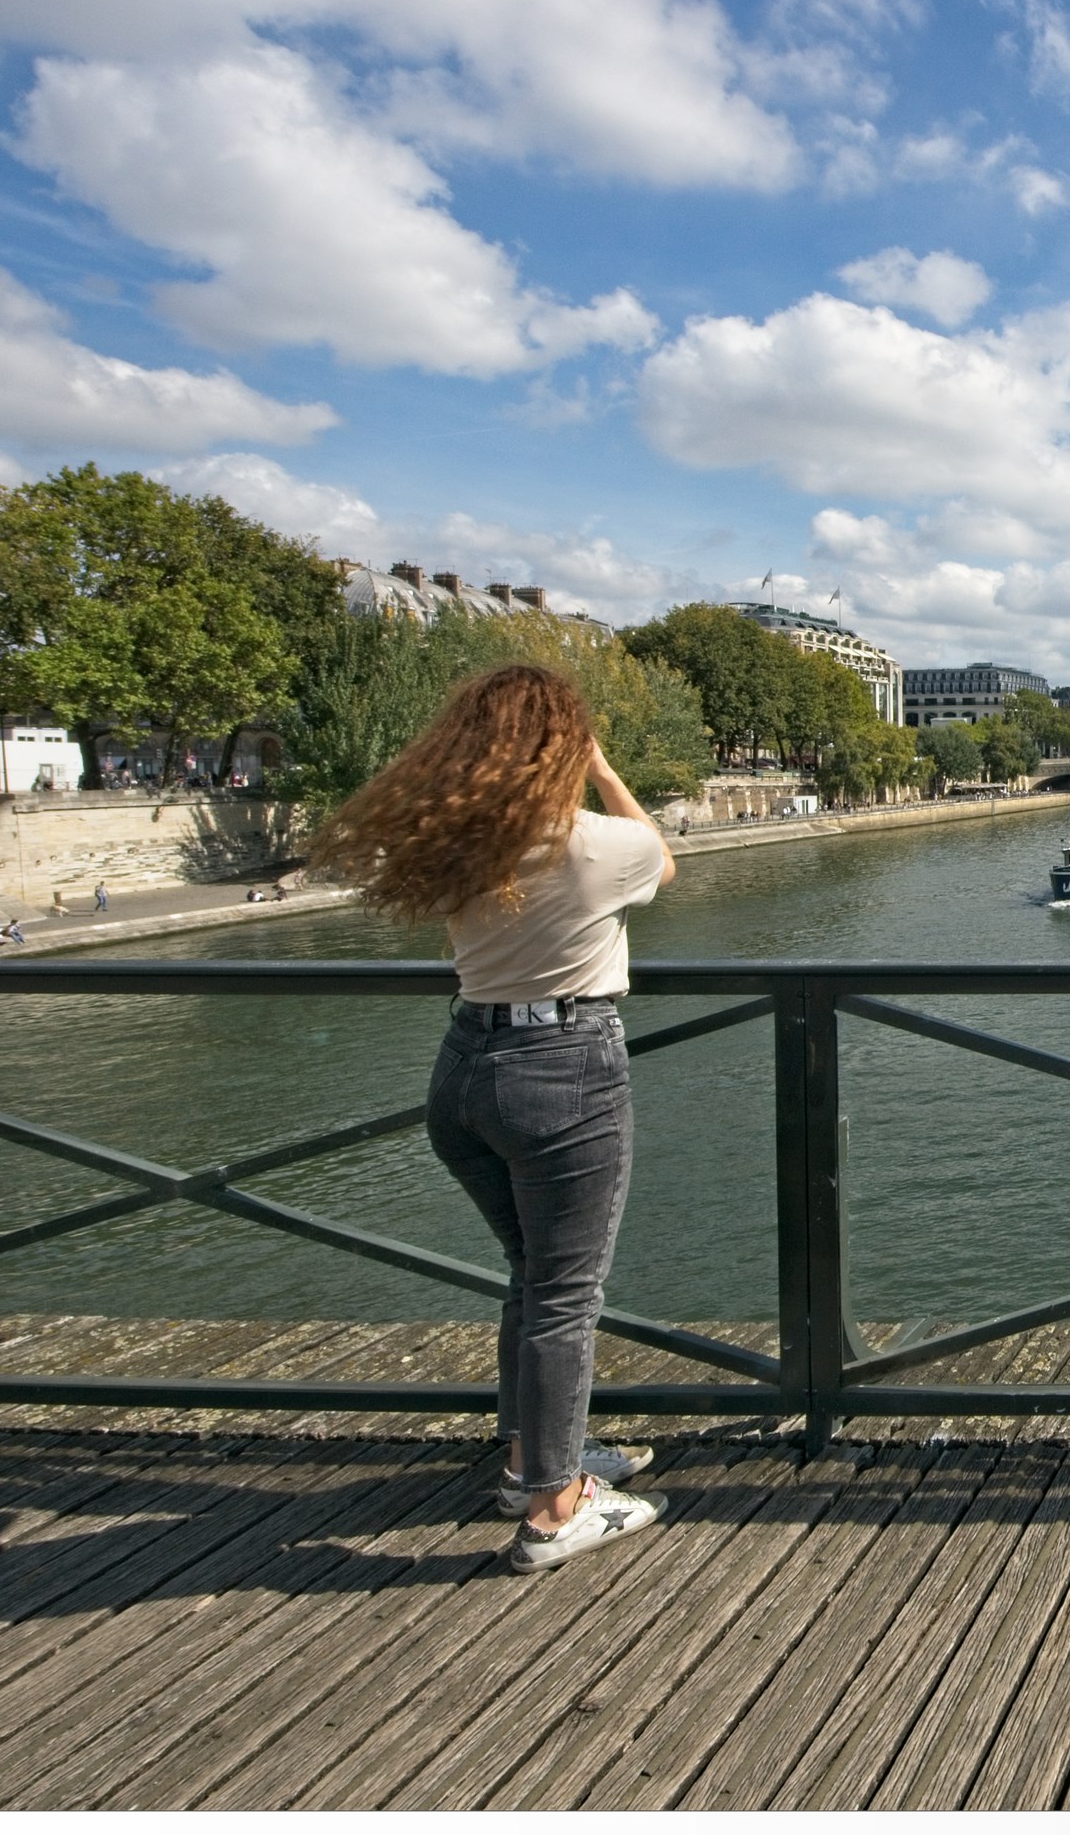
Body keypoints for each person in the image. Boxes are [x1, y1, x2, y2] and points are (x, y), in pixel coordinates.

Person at [312, 665, 678, 1573]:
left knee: (529, 1276)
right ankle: (557, 1508)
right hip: (563, 1069)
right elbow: (660, 855)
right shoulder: (596, 846)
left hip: (464, 1067)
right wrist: (602, 770)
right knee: (567, 1293)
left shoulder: (452, 846)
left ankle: (530, 1461)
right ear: (566, 747)